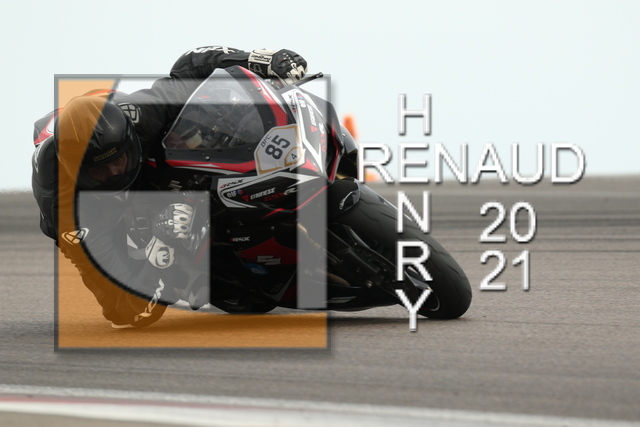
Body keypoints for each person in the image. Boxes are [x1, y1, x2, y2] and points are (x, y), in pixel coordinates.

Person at [32, 46, 308, 328]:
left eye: (118, 160)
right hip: (94, 206)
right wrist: (162, 248)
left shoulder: (140, 114)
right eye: (99, 170)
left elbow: (190, 66)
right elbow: (127, 312)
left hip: (122, 128)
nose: (115, 173)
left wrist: (261, 60)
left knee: (201, 130)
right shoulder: (66, 211)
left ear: (129, 138)